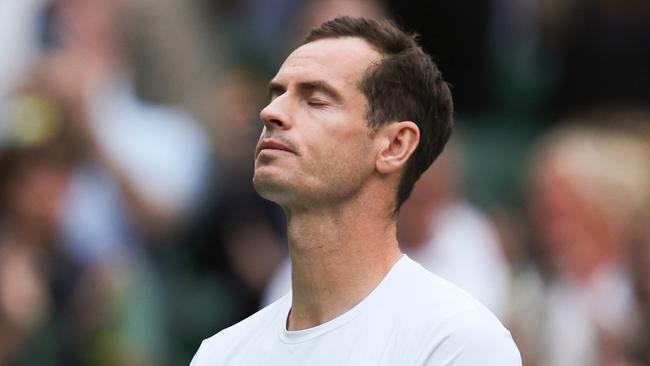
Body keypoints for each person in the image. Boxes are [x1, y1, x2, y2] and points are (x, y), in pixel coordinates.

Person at [190, 16, 521, 365]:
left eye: (316, 100)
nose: (270, 112)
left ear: (394, 145)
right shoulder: (219, 354)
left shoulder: (458, 341)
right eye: (276, 94)